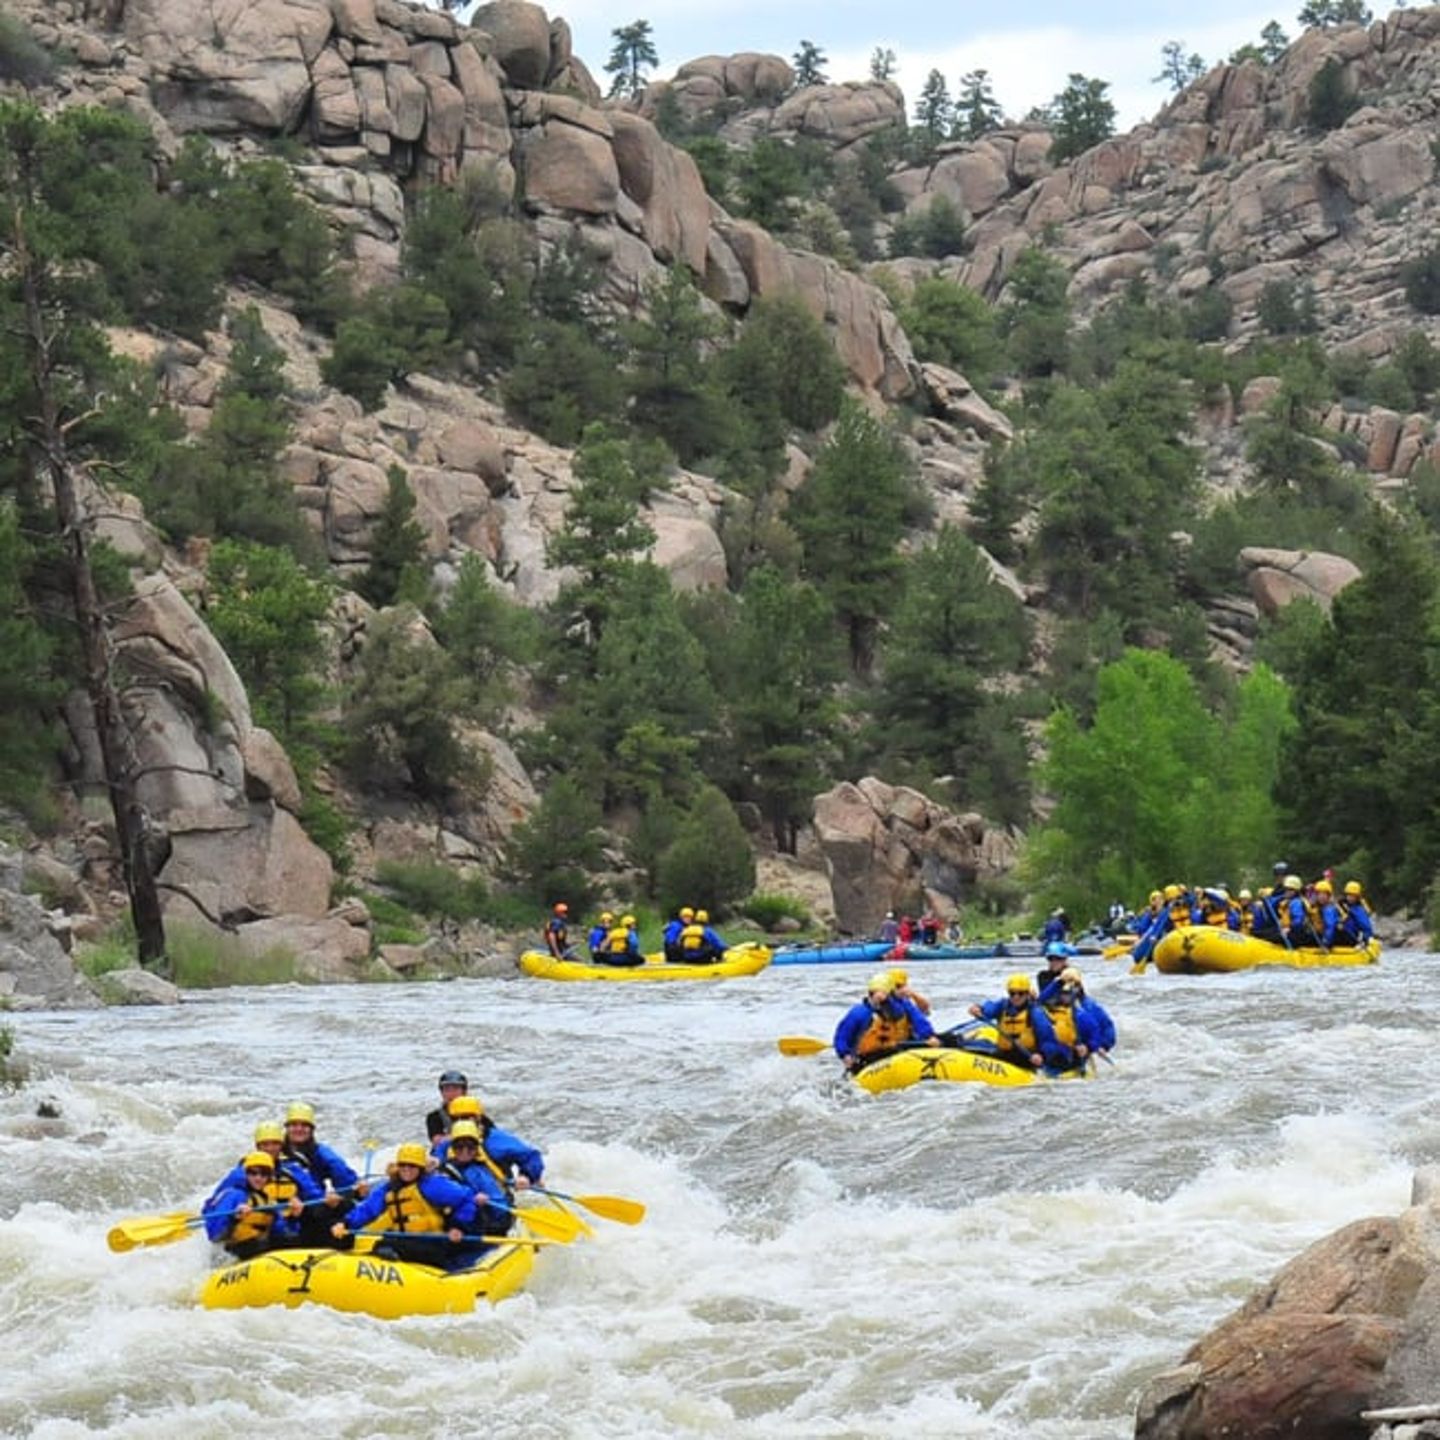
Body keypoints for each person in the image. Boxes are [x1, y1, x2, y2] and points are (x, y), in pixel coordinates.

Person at [332, 1142, 481, 1270]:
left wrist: (458, 1227)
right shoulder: (388, 1188)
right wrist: (345, 1223)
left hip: (433, 1242)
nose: (407, 1169)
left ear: (420, 1168)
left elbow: (467, 1197)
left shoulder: (432, 1185)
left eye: (412, 1166)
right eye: (403, 1165)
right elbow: (368, 1209)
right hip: (404, 1240)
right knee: (381, 1244)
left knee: (386, 1246)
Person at [282, 1101, 367, 1247]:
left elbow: (344, 1179)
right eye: (294, 1125)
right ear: (287, 1128)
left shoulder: (321, 1153)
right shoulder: (274, 1152)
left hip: (314, 1207)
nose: (299, 1129)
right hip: (285, 1210)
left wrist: (355, 1192)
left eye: (304, 1125)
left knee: (346, 1207)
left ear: (311, 1129)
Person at [202, 1150, 307, 1260]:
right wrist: (234, 1218)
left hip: (258, 1248)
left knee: (294, 1240)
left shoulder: (268, 1200)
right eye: (253, 1173)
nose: (258, 1178)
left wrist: (293, 1217)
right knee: (258, 1245)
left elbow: (281, 1232)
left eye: (264, 1174)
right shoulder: (233, 1195)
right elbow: (214, 1235)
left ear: (269, 1177)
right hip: (231, 1253)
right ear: (246, 1174)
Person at [833, 972, 937, 1072]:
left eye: (885, 993)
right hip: (866, 1058)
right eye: (879, 992)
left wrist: (928, 1036)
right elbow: (841, 1036)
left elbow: (915, 1016)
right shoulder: (859, 1012)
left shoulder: (895, 1008)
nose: (881, 996)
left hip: (891, 1052)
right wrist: (845, 1055)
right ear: (871, 993)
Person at [440, 1095, 545, 1191]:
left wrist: (526, 1176)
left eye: (466, 1117)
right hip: (462, 1196)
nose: (462, 1122)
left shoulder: (496, 1140)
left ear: (478, 1118)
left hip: (497, 1194)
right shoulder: (445, 1145)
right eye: (455, 1119)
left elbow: (531, 1156)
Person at [435, 1119, 513, 1238]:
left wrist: (486, 1201)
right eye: (459, 1147)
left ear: (477, 1148)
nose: (465, 1152)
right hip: (456, 1230)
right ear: (452, 1148)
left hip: (487, 1229)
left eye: (470, 1147)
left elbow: (501, 1208)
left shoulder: (484, 1170)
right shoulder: (443, 1170)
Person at [967, 974, 1056, 1071]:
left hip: (1026, 1056)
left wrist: (1041, 1055)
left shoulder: (1035, 1012)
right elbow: (989, 1009)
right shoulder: (1003, 1005)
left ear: (1027, 994)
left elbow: (1048, 1040)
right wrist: (979, 1008)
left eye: (1020, 993)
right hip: (1004, 1053)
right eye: (1012, 993)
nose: (1016, 997)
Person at [1037, 966, 1113, 1073]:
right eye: (1062, 993)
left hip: (1073, 1054)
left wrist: (1091, 1047)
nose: (1064, 997)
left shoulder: (1085, 1012)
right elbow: (1039, 1002)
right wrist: (1058, 982)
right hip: (1053, 1052)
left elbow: (1097, 1032)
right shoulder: (1047, 1008)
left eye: (1067, 994)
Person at [426, 1069, 469, 1142]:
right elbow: (437, 1141)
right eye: (447, 1090)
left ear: (464, 1092)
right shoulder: (434, 1117)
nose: (451, 1094)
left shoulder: (476, 1115)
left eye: (455, 1089)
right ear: (442, 1093)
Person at [1278, 874, 1321, 947]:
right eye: (1286, 889)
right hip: (1292, 931)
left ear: (1296, 891)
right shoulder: (1289, 902)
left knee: (1274, 935)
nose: (1286, 891)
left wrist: (1289, 928)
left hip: (1299, 934)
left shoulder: (1297, 903)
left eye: (1290, 889)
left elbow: (1298, 922)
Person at [1337, 880, 1375, 946]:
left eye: (1353, 896)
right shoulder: (1340, 905)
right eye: (1349, 895)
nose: (1350, 898)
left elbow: (1366, 926)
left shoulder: (1359, 910)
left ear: (1357, 897)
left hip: (1351, 937)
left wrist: (1365, 938)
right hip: (1340, 934)